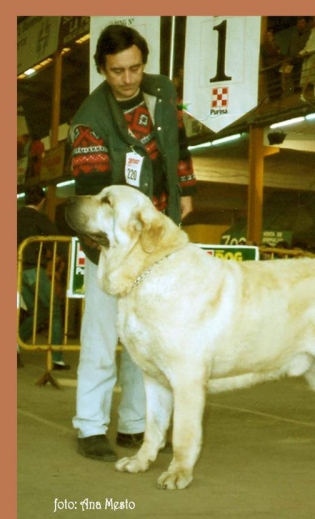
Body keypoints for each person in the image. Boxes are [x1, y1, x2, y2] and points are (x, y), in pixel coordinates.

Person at [69, 24, 197, 462]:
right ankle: (89, 426)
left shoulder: (162, 92)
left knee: (145, 339)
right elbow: (93, 199)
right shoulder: (89, 120)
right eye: (117, 71)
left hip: (156, 247)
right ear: (102, 69)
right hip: (111, 251)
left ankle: (134, 425)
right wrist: (115, 254)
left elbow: (178, 147)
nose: (128, 79)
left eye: (135, 68)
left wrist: (186, 190)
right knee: (103, 337)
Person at [17, 185, 70, 370]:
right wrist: (63, 259)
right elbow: (57, 239)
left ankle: (13, 346)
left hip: (15, 271)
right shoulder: (39, 218)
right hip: (32, 270)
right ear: (42, 201)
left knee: (37, 311)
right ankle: (56, 358)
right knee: (53, 309)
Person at [260, 29, 283, 100]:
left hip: (277, 66)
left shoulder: (276, 44)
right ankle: (272, 98)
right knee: (271, 83)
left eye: (270, 35)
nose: (269, 37)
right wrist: (276, 52)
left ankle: (278, 96)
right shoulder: (263, 46)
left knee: (277, 82)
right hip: (270, 67)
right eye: (268, 35)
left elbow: (279, 53)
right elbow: (268, 53)